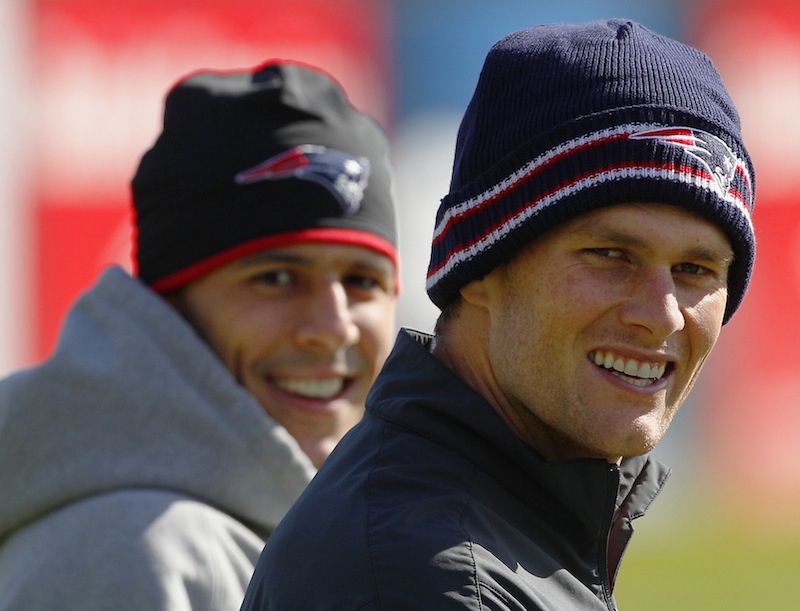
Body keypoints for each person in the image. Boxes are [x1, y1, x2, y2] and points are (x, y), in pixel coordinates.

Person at [240, 19, 756, 611]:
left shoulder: (506, 521)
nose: (661, 315)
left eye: (696, 270)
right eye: (610, 256)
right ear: (481, 264)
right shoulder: (438, 582)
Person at [0, 60, 398, 610]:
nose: (332, 328)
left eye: (362, 281)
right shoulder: (136, 553)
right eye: (276, 278)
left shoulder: (328, 535)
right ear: (169, 308)